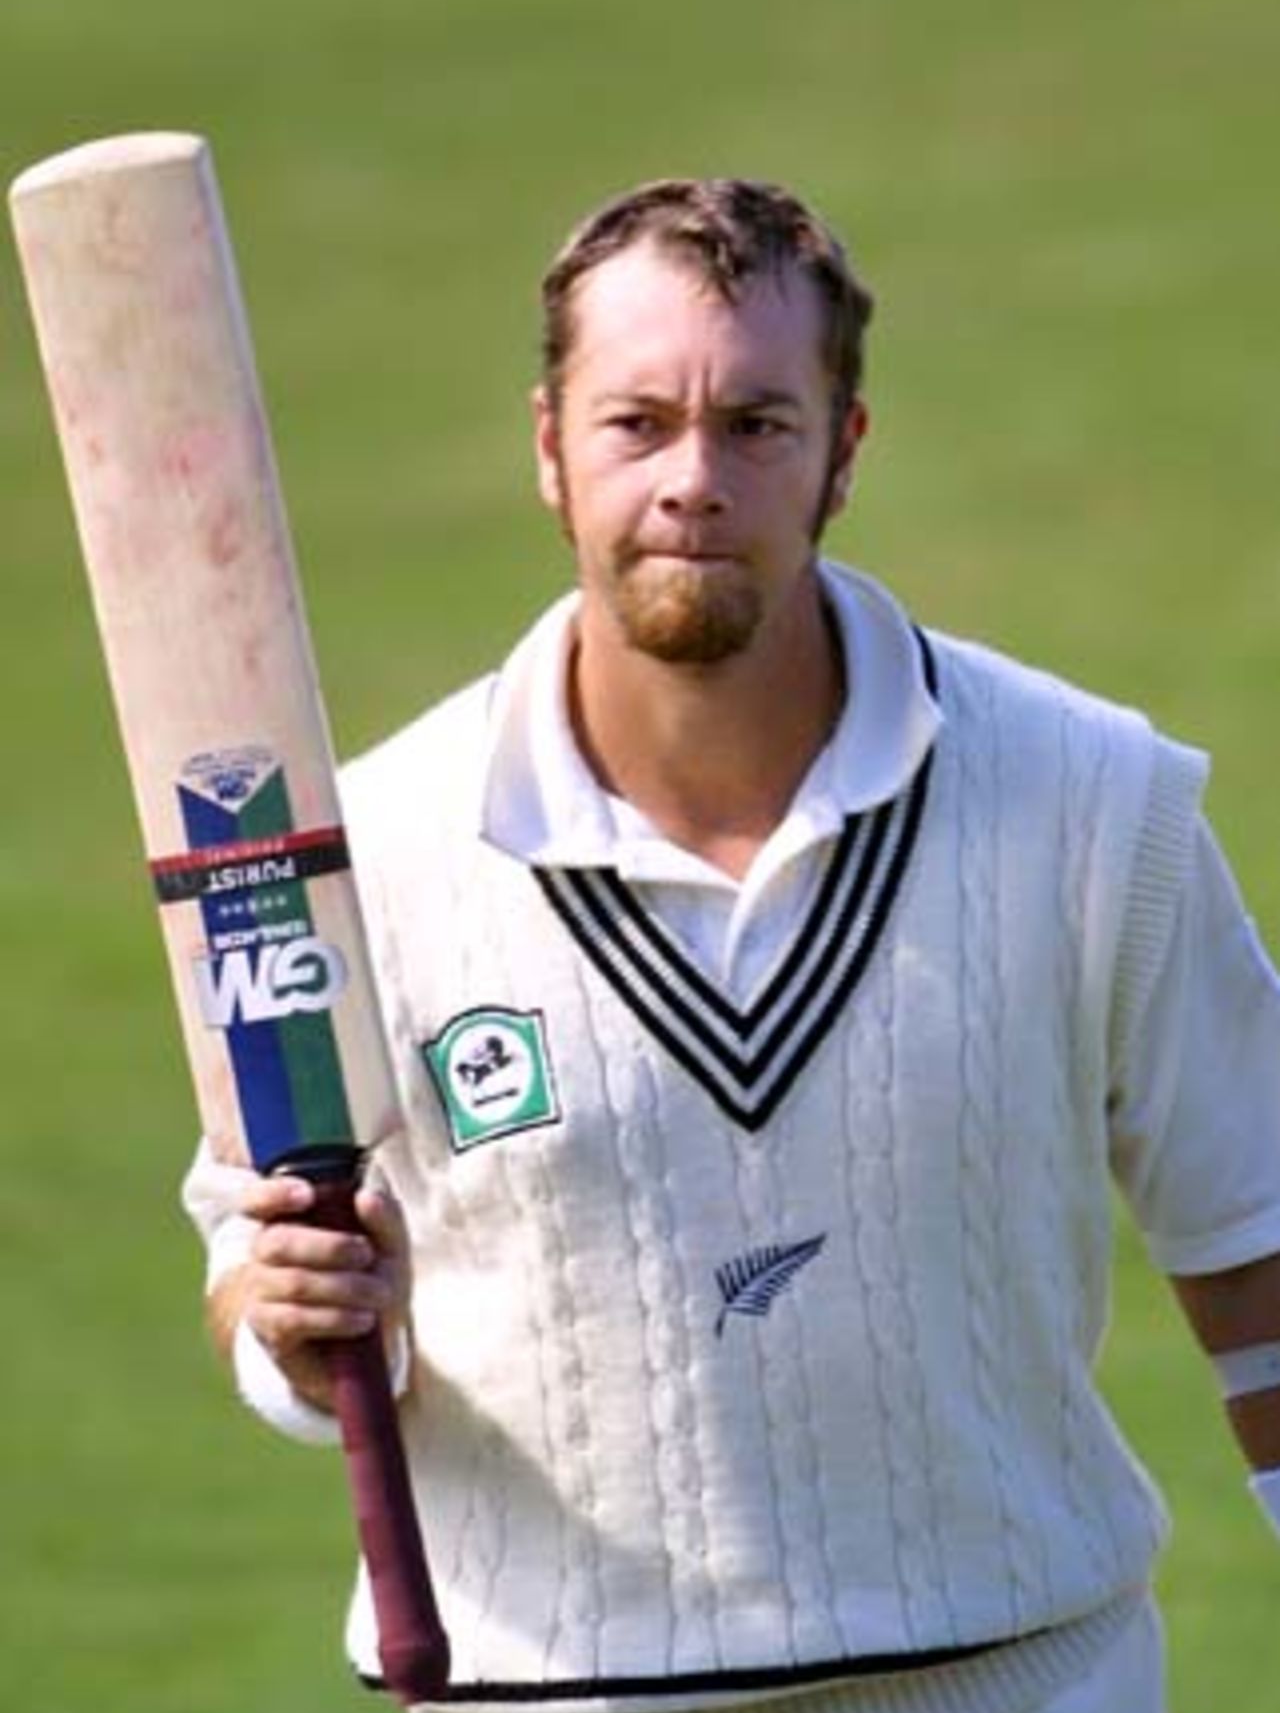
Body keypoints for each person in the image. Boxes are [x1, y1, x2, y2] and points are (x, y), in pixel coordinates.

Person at [183, 179, 1280, 1713]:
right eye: (638, 422)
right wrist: (293, 1335)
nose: (694, 478)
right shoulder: (355, 861)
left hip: (1018, 1677)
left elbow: (1260, 1232)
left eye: (757, 424)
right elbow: (253, 1258)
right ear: (549, 449)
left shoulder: (1100, 806)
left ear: (845, 452)